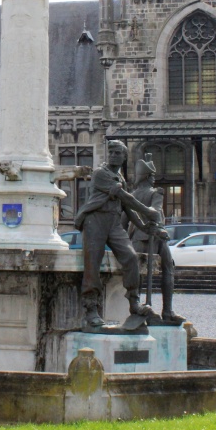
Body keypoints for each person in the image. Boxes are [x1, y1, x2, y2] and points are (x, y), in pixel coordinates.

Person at [73, 140, 160, 328]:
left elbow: (127, 208)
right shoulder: (100, 173)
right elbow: (125, 197)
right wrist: (148, 211)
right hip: (94, 220)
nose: (113, 155)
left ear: (124, 156)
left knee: (130, 257)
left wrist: (144, 226)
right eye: (110, 152)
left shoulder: (119, 177)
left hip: (113, 221)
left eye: (117, 153)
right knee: (92, 263)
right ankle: (91, 308)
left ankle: (134, 302)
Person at [126, 155, 185, 324]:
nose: (154, 179)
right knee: (167, 269)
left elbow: (123, 222)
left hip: (138, 237)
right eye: (152, 175)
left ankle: (138, 309)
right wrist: (158, 227)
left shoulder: (131, 195)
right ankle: (166, 311)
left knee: (139, 275)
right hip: (156, 237)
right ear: (148, 177)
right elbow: (156, 211)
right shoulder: (156, 193)